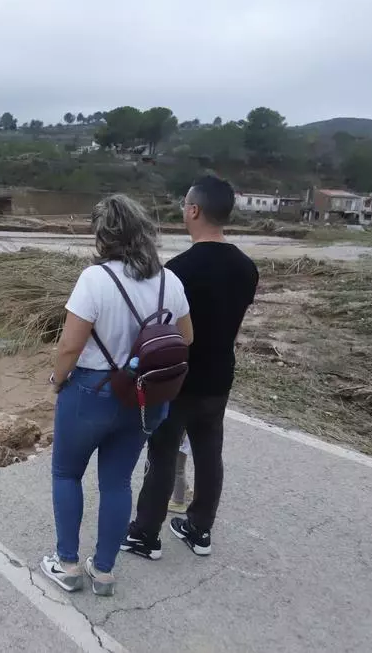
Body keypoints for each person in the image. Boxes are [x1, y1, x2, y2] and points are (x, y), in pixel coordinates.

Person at [41, 193, 193, 596]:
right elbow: (186, 338)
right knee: (117, 483)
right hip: (143, 398)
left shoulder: (94, 280)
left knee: (66, 474)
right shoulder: (170, 281)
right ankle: (104, 572)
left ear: (103, 234)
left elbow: (69, 347)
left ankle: (67, 564)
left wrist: (57, 380)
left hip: (91, 392)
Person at [121, 175, 258, 559]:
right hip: (220, 377)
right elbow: (234, 328)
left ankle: (145, 534)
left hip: (179, 379)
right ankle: (200, 529)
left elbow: (164, 330)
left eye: (185, 205)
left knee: (162, 453)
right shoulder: (247, 268)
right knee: (209, 453)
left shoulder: (179, 269)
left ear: (194, 210)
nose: (184, 210)